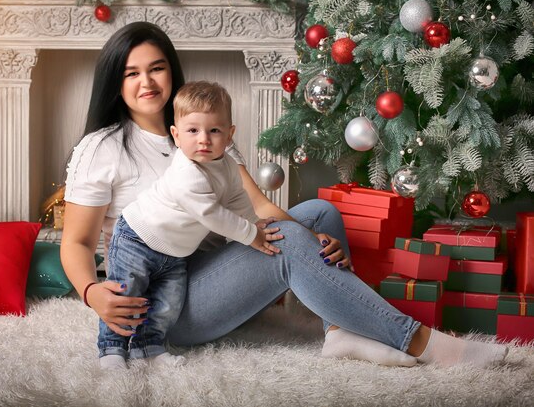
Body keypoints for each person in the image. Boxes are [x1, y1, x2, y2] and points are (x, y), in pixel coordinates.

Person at [61, 21, 508, 370]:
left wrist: (310, 238)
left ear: (171, 71)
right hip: (164, 305)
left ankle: (340, 332)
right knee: (289, 241)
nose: (147, 82)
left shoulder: (206, 131)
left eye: (156, 68)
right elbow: (76, 243)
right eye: (131, 73)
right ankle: (420, 341)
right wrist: (91, 292)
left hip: (213, 269)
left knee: (317, 213)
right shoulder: (104, 148)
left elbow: (260, 209)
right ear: (116, 82)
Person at [100, 81, 277, 368]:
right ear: (176, 135)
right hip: (138, 238)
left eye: (214, 130)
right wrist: (251, 235)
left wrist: (254, 221)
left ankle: (148, 348)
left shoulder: (229, 167)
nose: (204, 139)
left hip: (175, 253)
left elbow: (236, 201)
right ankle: (111, 348)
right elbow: (213, 215)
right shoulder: (186, 172)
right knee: (126, 295)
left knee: (167, 305)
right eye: (193, 131)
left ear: (230, 134)